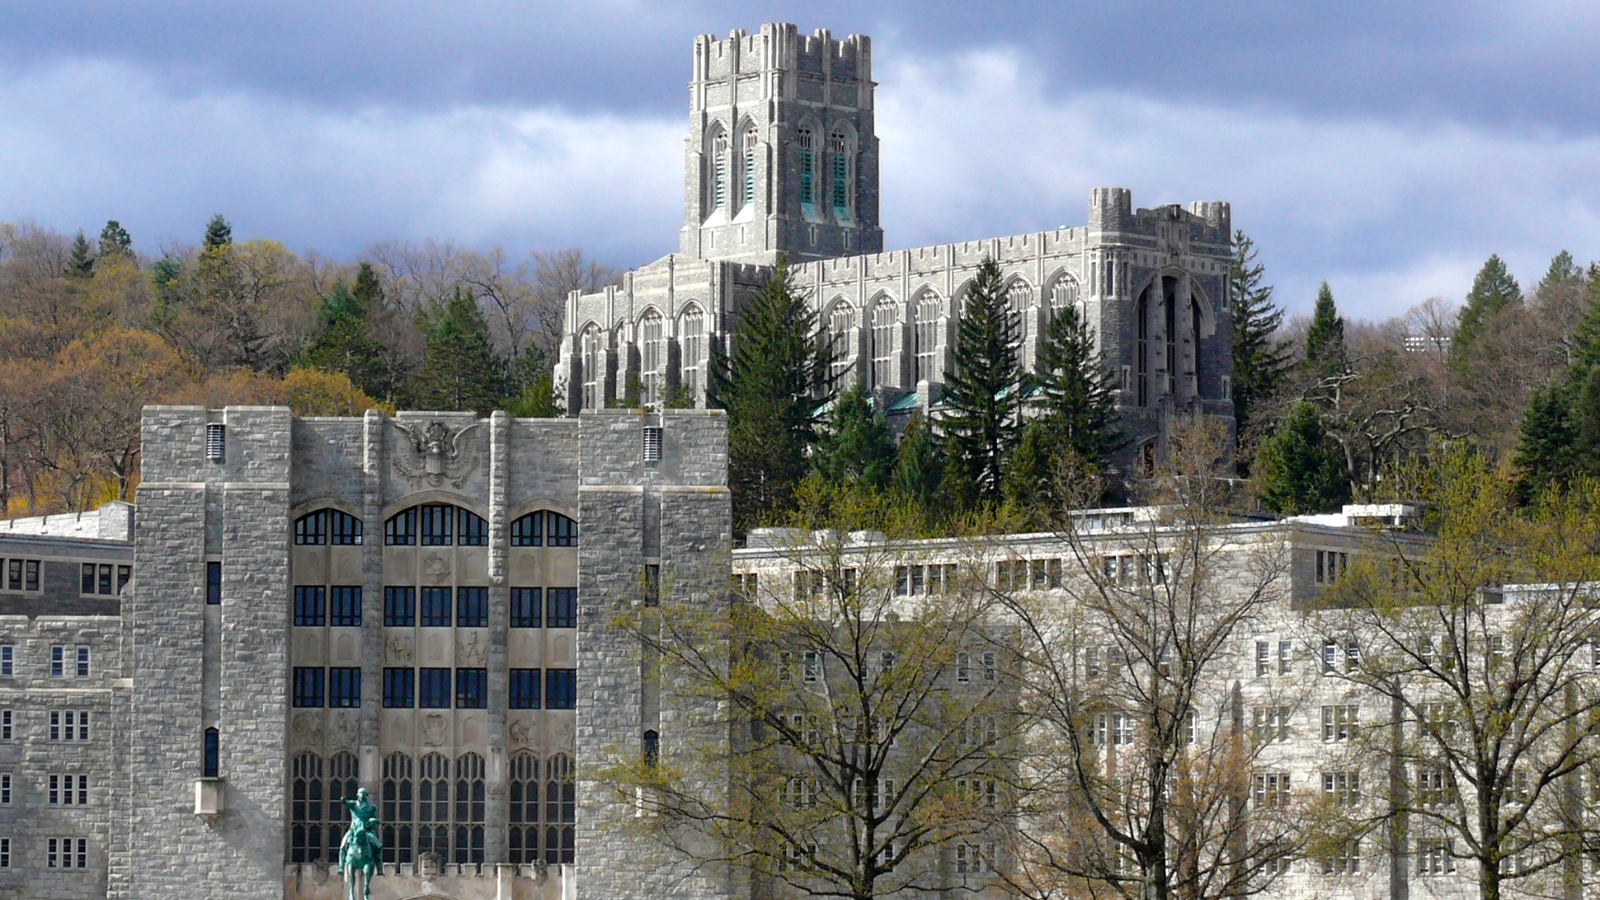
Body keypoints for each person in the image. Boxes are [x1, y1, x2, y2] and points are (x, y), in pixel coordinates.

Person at [339, 787, 382, 866]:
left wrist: (373, 821)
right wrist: (343, 801)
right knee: (343, 846)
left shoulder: (371, 807)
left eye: (363, 793)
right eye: (360, 793)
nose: (361, 795)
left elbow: (374, 818)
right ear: (357, 794)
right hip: (353, 830)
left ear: (366, 795)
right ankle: (341, 867)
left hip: (366, 831)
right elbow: (346, 803)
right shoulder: (353, 804)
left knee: (378, 846)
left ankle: (379, 867)